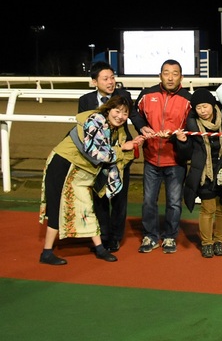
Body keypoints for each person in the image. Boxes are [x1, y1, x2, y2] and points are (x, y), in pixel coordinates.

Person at [39, 96, 144, 265]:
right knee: (57, 207)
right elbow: (98, 153)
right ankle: (47, 252)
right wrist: (123, 148)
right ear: (108, 109)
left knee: (87, 206)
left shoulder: (119, 131)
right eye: (117, 111)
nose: (120, 116)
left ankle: (100, 249)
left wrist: (133, 145)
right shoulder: (95, 120)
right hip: (63, 164)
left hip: (82, 172)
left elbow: (122, 156)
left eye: (125, 113)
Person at [78, 61, 142, 252]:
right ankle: (103, 235)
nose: (110, 82)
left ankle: (115, 237)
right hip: (98, 157)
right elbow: (83, 129)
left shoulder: (124, 96)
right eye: (105, 79)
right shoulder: (85, 100)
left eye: (112, 78)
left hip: (122, 153)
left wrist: (144, 129)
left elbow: (134, 115)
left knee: (119, 198)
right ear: (94, 82)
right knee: (99, 197)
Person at [133, 59, 192, 254]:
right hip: (151, 158)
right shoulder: (146, 95)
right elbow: (134, 113)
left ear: (181, 77)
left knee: (174, 203)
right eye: (166, 73)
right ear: (160, 76)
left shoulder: (188, 99)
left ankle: (169, 236)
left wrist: (178, 137)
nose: (170, 77)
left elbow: (192, 127)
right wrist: (142, 126)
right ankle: (150, 236)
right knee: (149, 201)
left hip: (175, 160)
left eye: (175, 73)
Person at [175, 88, 222, 258]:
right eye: (198, 108)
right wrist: (183, 142)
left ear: (212, 105)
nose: (202, 111)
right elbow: (186, 154)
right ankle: (207, 243)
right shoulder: (192, 125)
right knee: (208, 209)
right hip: (204, 173)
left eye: (205, 106)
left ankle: (219, 241)